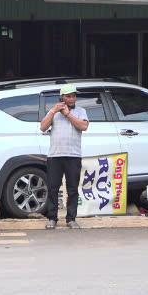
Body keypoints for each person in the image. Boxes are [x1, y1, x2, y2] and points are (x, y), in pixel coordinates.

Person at [40, 84, 89, 230]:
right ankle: (52, 218)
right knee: (53, 188)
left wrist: (67, 114)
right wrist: (53, 111)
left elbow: (83, 126)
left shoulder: (80, 111)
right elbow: (43, 127)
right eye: (68, 96)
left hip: (73, 155)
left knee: (73, 188)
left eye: (74, 95)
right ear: (62, 97)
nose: (72, 98)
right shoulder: (53, 112)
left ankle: (71, 219)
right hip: (55, 155)